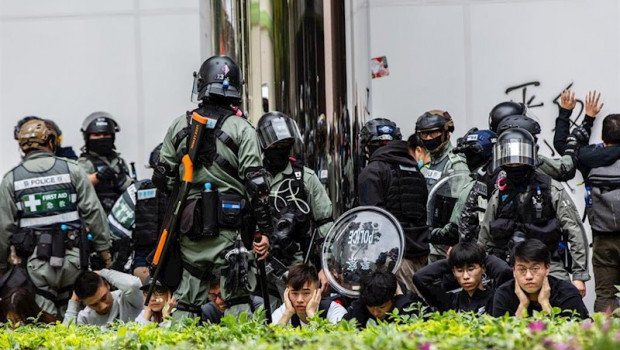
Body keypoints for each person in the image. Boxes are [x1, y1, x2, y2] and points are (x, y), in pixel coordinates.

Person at [153, 55, 272, 314]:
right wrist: (264, 230)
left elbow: (162, 177)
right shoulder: (242, 129)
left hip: (188, 227)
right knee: (238, 297)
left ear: (202, 83)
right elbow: (257, 185)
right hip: (231, 230)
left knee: (186, 300)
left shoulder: (179, 125)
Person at [0, 119, 112, 317]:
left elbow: (4, 227)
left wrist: (2, 266)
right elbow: (94, 212)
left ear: (23, 148)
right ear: (51, 142)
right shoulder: (72, 169)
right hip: (74, 259)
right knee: (75, 317)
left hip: (37, 263)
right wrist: (105, 253)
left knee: (46, 322)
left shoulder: (12, 179)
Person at [478, 127, 590, 297]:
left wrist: (579, 276)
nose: (514, 164)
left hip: (548, 265)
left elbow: (574, 231)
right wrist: (481, 273)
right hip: (509, 266)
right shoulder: (500, 194)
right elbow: (484, 238)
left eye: (519, 160)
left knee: (567, 305)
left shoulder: (551, 189)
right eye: (509, 161)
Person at [555, 90, 620, 312]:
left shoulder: (589, 158)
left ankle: (605, 341)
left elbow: (564, 147)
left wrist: (571, 114)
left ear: (603, 138)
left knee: (605, 295)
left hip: (602, 238)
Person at [256, 111, 333, 298]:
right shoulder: (252, 177)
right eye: (276, 145)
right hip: (257, 266)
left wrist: (327, 268)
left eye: (285, 144)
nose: (281, 148)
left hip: (296, 267)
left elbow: (326, 225)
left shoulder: (305, 178)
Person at [358, 118, 429, 292]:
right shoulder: (415, 169)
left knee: (398, 310)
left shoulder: (372, 171)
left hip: (392, 256)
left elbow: (372, 219)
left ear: (367, 146)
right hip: (420, 250)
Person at [107, 144, 168, 282]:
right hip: (146, 265)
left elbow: (115, 234)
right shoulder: (137, 192)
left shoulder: (138, 190)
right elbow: (116, 235)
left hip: (157, 263)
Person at [415, 110, 469, 262]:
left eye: (434, 133)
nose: (429, 138)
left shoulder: (455, 164)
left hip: (445, 248)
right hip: (429, 244)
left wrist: (451, 240)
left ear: (446, 133)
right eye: (424, 134)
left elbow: (461, 208)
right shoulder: (428, 165)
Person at [429, 128, 497, 245]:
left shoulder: (472, 187)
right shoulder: (502, 181)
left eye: (470, 155)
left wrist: (430, 234)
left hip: (472, 251)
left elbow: (455, 230)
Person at [492, 239, 589, 319]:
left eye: (535, 268)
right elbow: (503, 338)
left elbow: (572, 337)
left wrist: (545, 303)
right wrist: (523, 305)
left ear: (547, 268)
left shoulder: (567, 293)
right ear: (513, 271)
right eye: (522, 269)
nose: (528, 276)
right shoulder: (503, 294)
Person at [413, 242, 511, 315]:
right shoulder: (450, 301)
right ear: (453, 271)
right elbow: (420, 278)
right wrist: (452, 261)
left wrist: (482, 257)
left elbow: (504, 271)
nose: (465, 276)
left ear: (483, 268)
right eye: (460, 270)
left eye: (471, 269)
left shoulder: (496, 298)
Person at [78, 111, 133, 214]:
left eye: (106, 134)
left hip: (121, 216)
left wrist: (122, 181)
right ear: (87, 137)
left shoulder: (119, 162)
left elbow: (132, 190)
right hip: (96, 217)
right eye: (97, 135)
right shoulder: (84, 163)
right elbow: (78, 187)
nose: (102, 138)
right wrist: (98, 177)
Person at [272, 263, 346, 326]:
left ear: (317, 293)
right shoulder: (283, 312)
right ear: (287, 293)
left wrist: (311, 313)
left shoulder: (334, 311)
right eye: (294, 293)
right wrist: (287, 314)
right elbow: (269, 340)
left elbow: (333, 342)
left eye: (306, 293)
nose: (299, 300)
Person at [343, 270, 423, 328]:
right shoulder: (366, 299)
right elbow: (343, 326)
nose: (376, 313)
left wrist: (401, 300)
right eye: (370, 307)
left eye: (382, 307)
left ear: (393, 297)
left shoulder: (411, 302)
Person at [63, 269, 143, 325]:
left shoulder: (127, 298)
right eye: (94, 304)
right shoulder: (85, 318)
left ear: (107, 284)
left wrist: (103, 272)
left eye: (104, 298)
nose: (103, 306)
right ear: (83, 302)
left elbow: (133, 284)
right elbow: (65, 338)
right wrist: (74, 301)